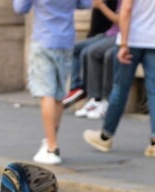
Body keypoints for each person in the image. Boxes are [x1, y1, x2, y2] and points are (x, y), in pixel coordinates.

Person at [83, 0, 155, 158]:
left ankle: (106, 136)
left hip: (133, 38)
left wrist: (124, 44)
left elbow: (125, 9)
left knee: (120, 89)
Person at [14, 0, 92, 164]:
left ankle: (51, 146)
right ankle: (51, 139)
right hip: (66, 40)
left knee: (46, 93)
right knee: (58, 93)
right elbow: (86, 4)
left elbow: (19, 7)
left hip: (44, 39)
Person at [65, 0, 119, 108]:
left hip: (120, 35)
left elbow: (121, 20)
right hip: (107, 33)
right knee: (76, 48)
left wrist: (101, 6)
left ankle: (98, 98)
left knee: (92, 52)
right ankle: (77, 88)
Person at [74, 38, 120, 118]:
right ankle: (96, 99)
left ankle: (107, 100)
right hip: (112, 33)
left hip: (127, 37)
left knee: (108, 55)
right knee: (89, 52)